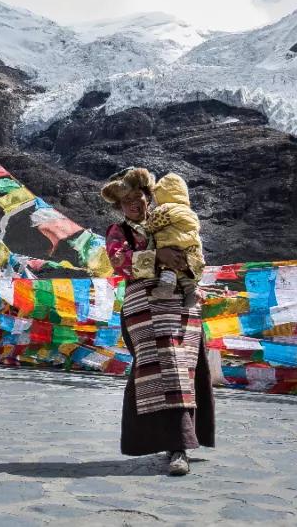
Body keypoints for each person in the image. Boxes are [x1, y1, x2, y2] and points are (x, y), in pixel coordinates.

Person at [101, 166, 215, 476]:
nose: (133, 205)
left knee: (187, 368)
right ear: (119, 205)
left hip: (182, 305)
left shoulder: (169, 219)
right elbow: (119, 262)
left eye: (137, 198)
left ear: (148, 197)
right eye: (126, 201)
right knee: (167, 368)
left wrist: (187, 268)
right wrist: (158, 257)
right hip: (145, 309)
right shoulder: (118, 232)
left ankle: (182, 439)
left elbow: (193, 249)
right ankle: (178, 446)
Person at [144, 172, 205, 305]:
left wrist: (147, 227)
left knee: (170, 267)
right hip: (192, 250)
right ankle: (192, 292)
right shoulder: (191, 212)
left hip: (173, 245)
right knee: (186, 273)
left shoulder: (165, 208)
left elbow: (153, 222)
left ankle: (166, 288)